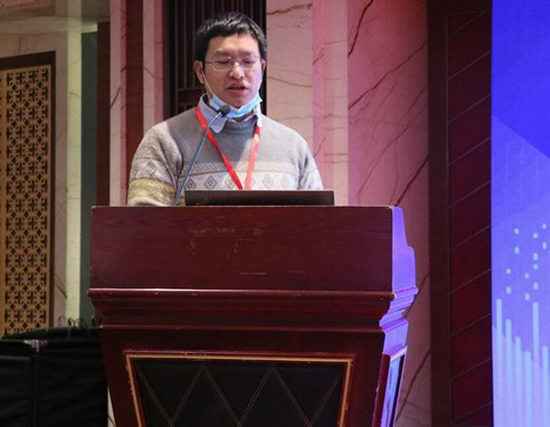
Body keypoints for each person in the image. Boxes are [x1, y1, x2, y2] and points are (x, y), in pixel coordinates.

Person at [127, 12, 323, 206]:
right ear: (200, 71)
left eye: (248, 62)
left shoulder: (294, 146)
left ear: (262, 68)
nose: (237, 73)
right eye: (223, 62)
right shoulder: (164, 140)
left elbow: (320, 220)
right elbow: (143, 223)